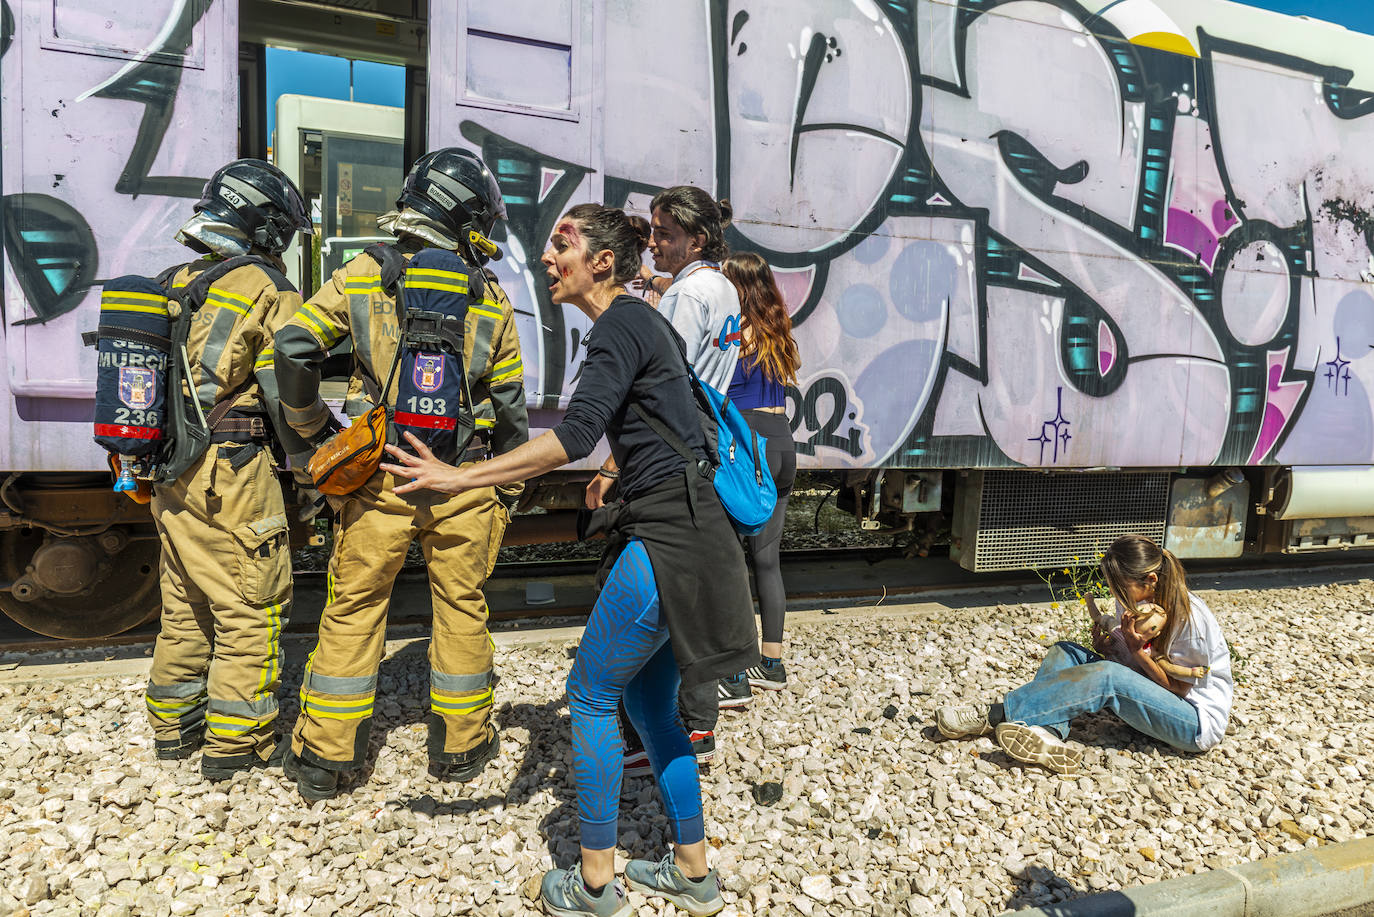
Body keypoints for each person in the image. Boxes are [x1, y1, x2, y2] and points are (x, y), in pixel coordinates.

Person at [380, 203, 756, 917]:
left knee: (588, 694)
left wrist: (459, 476)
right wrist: (619, 471)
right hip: (701, 530)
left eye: (564, 243)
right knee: (648, 701)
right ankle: (694, 874)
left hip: (667, 540)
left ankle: (592, 885)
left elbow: (577, 431)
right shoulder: (647, 322)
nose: (549, 256)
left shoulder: (618, 324)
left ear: (602, 261)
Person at [272, 147, 528, 801]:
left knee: (355, 607)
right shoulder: (491, 299)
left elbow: (294, 348)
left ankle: (328, 759)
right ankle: (461, 748)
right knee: (461, 608)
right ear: (465, 217)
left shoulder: (363, 274)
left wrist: (316, 432)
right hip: (459, 479)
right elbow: (509, 413)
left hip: (379, 474)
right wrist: (504, 489)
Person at [142, 159, 313, 780]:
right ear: (263, 224)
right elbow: (287, 395)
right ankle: (236, 745)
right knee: (251, 603)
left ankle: (173, 730)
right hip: (231, 474)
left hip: (169, 470)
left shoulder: (174, 280)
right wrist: (319, 457)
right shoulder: (267, 288)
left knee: (184, 602)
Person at [589, 186, 743, 765]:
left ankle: (642, 725)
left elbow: (656, 384)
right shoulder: (723, 286)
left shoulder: (684, 296)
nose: (653, 242)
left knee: (645, 589)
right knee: (690, 591)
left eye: (664, 234)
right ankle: (697, 723)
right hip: (705, 448)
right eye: (651, 232)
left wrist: (609, 466)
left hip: (665, 455)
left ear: (694, 240)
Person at [935, 535, 1233, 775]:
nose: (1114, 593)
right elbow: (1136, 672)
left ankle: (995, 714)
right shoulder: (1133, 600)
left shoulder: (1190, 620)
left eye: (1119, 586)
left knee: (1108, 677)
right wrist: (1112, 650)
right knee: (1065, 651)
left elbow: (1179, 688)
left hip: (1192, 722)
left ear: (1151, 581)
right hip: (1154, 699)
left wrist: (1136, 653)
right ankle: (1047, 733)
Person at [715, 252, 801, 708]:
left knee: (728, 558)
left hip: (748, 445)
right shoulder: (776, 327)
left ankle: (732, 671)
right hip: (782, 440)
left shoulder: (735, 330)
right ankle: (772, 663)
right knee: (767, 560)